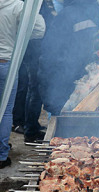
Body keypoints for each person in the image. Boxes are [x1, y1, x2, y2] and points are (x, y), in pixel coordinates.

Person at [0, 0, 45, 169]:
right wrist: (21, 34)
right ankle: (1, 155)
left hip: (6, 62)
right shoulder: (18, 6)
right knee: (5, 111)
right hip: (6, 64)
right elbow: (39, 29)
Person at [38, 0, 99, 115]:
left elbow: (49, 54)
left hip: (66, 85)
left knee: (60, 125)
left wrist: (47, 95)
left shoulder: (66, 16)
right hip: (91, 83)